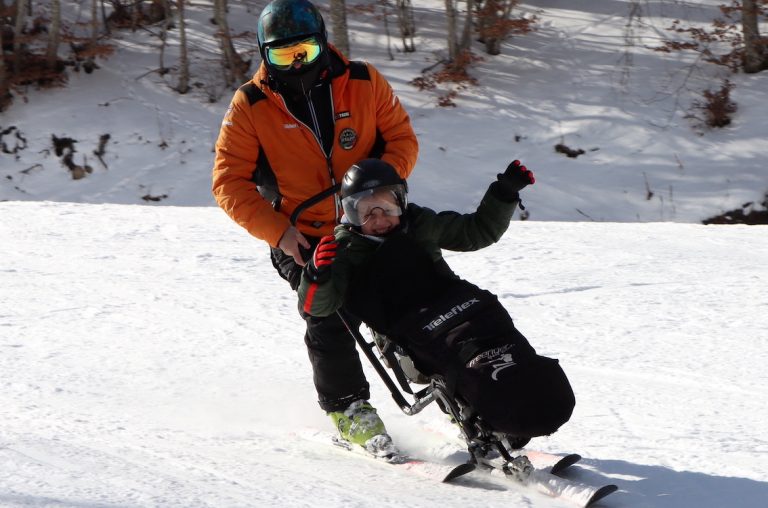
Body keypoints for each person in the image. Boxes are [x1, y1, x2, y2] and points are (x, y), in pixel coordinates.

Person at [211, 0, 418, 451]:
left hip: (371, 220)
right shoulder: (251, 104)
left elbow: (401, 138)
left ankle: (450, 382)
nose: (298, 61)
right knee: (328, 310)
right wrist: (281, 234)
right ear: (267, 56)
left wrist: (378, 188)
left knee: (419, 287)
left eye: (305, 49)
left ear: (323, 42)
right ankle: (347, 406)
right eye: (285, 55)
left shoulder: (363, 81)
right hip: (303, 234)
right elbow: (228, 182)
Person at [298, 159, 575, 447]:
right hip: (407, 337)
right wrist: (317, 274)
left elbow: (475, 232)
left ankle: (500, 402)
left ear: (402, 202)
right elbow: (319, 308)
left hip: (455, 309)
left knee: (490, 340)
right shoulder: (344, 250)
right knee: (325, 327)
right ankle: (349, 409)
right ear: (350, 214)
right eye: (366, 213)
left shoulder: (418, 223)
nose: (379, 220)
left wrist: (503, 192)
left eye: (388, 209)